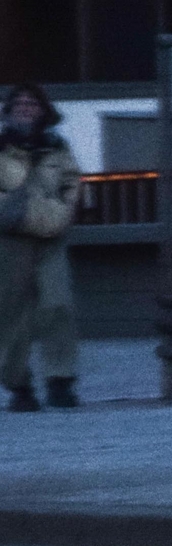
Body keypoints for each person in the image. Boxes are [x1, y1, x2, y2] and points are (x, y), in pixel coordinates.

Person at [1, 82, 83, 412]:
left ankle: (60, 381)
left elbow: (71, 183)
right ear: (8, 111)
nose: (25, 108)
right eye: (19, 103)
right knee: (11, 313)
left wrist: (61, 213)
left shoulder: (58, 148)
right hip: (9, 238)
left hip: (51, 237)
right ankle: (19, 386)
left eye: (31, 103)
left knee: (58, 304)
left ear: (43, 111)